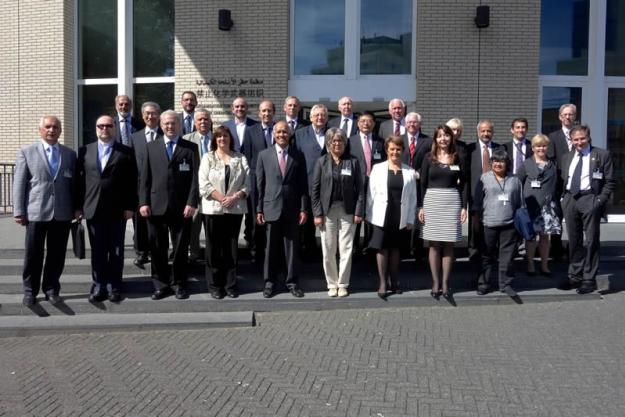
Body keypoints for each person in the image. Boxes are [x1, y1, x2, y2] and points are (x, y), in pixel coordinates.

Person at [13, 116, 78, 306]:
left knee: (56, 255)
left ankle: (51, 288)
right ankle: (30, 291)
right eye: (48, 127)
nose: (51, 130)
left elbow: (74, 184)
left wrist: (76, 208)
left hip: (62, 212)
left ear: (60, 130)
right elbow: (19, 183)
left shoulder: (69, 154)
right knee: (33, 254)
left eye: (55, 127)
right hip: (35, 212)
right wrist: (19, 210)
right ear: (40, 130)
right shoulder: (27, 152)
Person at [75, 115, 137, 303]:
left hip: (118, 210)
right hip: (93, 210)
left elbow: (132, 182)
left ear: (114, 128)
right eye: (100, 125)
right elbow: (79, 182)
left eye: (108, 126)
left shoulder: (125, 151)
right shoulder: (85, 150)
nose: (104, 129)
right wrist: (78, 208)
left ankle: (114, 286)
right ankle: (99, 285)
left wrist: (130, 206)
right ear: (95, 128)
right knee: (98, 251)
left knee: (116, 250)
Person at [139, 110, 200, 300]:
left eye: (173, 123)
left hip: (182, 208)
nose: (170, 126)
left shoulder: (190, 148)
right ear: (160, 125)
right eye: (166, 123)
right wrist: (143, 202)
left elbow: (195, 179)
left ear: (179, 125)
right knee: (157, 248)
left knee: (181, 249)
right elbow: (144, 178)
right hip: (155, 207)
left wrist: (192, 202)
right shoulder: (151, 147)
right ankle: (160, 284)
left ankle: (179, 283)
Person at [256, 120, 309, 298]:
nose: (281, 135)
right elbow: (260, 185)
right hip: (271, 208)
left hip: (292, 209)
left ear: (290, 134)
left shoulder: (298, 155)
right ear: (273, 134)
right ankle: (269, 282)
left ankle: (292, 282)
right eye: (278, 132)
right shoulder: (263, 155)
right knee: (270, 248)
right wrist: (259, 209)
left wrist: (303, 209)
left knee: (292, 249)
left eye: (285, 132)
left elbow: (303, 184)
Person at [559, 125, 615, 294]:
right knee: (574, 240)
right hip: (570, 199)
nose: (579, 142)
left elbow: (610, 181)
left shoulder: (602, 155)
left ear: (588, 137)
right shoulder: (567, 157)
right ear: (571, 140)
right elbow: (564, 178)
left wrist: (599, 201)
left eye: (582, 138)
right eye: (575, 139)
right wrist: (563, 198)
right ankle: (575, 276)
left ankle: (589, 278)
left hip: (590, 199)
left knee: (591, 241)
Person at [311, 128, 364, 297]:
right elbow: (315, 190)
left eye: (340, 141)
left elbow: (360, 190)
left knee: (346, 248)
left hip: (347, 210)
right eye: (334, 141)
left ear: (345, 143)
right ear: (328, 143)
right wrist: (317, 213)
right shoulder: (321, 162)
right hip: (327, 211)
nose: (337, 144)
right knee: (328, 248)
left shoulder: (353, 161)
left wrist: (358, 211)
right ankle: (331, 283)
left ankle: (342, 283)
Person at [198, 125, 250, 299]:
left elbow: (247, 182)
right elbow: (203, 183)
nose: (222, 139)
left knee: (231, 248)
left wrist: (235, 197)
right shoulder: (208, 158)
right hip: (213, 209)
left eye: (225, 136)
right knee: (213, 248)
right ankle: (214, 285)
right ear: (215, 140)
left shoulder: (240, 157)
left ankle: (230, 284)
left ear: (230, 139)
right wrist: (221, 198)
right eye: (219, 137)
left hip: (234, 209)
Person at [418, 125, 467, 300]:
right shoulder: (428, 157)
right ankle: (435, 282)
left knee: (448, 244)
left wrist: (463, 206)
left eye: (446, 135)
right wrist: (421, 206)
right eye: (439, 136)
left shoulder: (458, 157)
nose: (443, 139)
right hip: (432, 201)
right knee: (434, 245)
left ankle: (446, 283)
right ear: (435, 139)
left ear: (451, 137)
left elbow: (465, 184)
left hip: (452, 201)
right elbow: (422, 183)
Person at [367, 136, 417, 299]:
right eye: (392, 149)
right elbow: (370, 194)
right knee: (382, 248)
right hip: (381, 213)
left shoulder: (409, 171)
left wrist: (410, 219)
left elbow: (413, 197)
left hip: (400, 214)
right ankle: (382, 282)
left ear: (402, 151)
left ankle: (394, 281)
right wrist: (369, 215)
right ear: (387, 150)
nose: (395, 152)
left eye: (398, 149)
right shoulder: (378, 168)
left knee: (395, 249)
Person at [473, 149, 524, 297]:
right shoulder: (484, 178)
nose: (498, 164)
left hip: (509, 225)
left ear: (507, 163)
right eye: (495, 161)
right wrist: (477, 221)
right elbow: (477, 203)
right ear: (491, 163)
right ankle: (484, 283)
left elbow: (520, 203)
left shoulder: (515, 180)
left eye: (501, 161)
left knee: (506, 257)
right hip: (488, 223)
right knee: (486, 256)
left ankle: (505, 284)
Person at [517, 134, 561, 277]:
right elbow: (518, 183)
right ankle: (530, 265)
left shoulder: (553, 164)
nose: (541, 148)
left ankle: (544, 265)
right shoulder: (526, 164)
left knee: (544, 237)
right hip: (530, 206)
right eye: (538, 146)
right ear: (533, 147)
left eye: (544, 146)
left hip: (548, 207)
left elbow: (558, 183)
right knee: (530, 238)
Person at [348, 111, 386, 253]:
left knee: (372, 215)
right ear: (358, 124)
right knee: (356, 215)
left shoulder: (380, 142)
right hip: (356, 183)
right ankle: (354, 246)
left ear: (374, 124)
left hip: (375, 184)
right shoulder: (350, 141)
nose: (366, 123)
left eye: (369, 121)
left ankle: (370, 246)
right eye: (363, 121)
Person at [294, 103, 328, 259]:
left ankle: (326, 252)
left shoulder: (332, 133)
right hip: (306, 183)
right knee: (305, 220)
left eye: (323, 115)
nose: (320, 117)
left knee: (326, 219)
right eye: (317, 115)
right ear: (311, 117)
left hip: (328, 185)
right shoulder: (300, 134)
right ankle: (306, 250)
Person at [223, 97, 258, 254]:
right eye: (237, 106)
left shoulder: (255, 126)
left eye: (243, 106)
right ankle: (231, 245)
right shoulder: (225, 126)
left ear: (247, 108)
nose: (240, 109)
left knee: (251, 209)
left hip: (251, 172)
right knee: (232, 208)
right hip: (232, 174)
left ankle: (251, 241)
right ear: (232, 109)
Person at [130, 101, 162, 267]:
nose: (150, 116)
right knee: (140, 223)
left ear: (159, 115)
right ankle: (141, 253)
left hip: (160, 187)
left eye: (154, 113)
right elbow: (130, 163)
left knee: (157, 222)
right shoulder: (135, 137)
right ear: (142, 116)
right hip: (139, 187)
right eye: (147, 113)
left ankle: (157, 251)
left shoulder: (166, 134)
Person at [245, 100, 277, 263]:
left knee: (272, 214)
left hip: (275, 180)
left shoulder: (280, 129)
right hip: (255, 178)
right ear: (259, 113)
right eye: (263, 111)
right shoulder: (251, 131)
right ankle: (255, 250)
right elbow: (248, 156)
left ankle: (272, 250)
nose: (266, 114)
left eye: (269, 111)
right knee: (254, 216)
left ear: (274, 112)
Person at [466, 120, 501, 262]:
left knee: (494, 224)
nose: (486, 133)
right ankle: (474, 253)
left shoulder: (500, 149)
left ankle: (492, 253)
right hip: (476, 193)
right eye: (483, 131)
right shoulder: (470, 149)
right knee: (475, 226)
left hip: (495, 194)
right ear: (478, 132)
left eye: (489, 131)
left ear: (492, 132)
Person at [547, 103, 577, 261]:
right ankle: (556, 249)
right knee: (556, 217)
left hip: (576, 184)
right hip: (559, 184)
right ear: (560, 117)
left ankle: (574, 249)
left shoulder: (580, 135)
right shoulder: (553, 137)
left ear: (575, 116)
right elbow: (551, 161)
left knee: (574, 218)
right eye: (564, 114)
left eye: (570, 114)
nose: (567, 117)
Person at [183, 109, 213, 264]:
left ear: (210, 122)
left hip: (213, 192)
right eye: (200, 119)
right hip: (193, 191)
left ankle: (211, 255)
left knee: (212, 226)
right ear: (194, 122)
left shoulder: (217, 139)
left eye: (206, 119)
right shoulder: (186, 139)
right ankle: (193, 253)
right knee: (193, 225)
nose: (203, 122)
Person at [401, 111, 432, 261]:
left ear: (419, 124)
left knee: (419, 216)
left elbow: (431, 160)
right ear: (405, 124)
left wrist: (421, 172)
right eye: (409, 122)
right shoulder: (399, 140)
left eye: (415, 122)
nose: (412, 124)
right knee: (404, 213)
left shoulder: (428, 141)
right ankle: (404, 248)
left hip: (421, 182)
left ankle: (418, 249)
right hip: (403, 183)